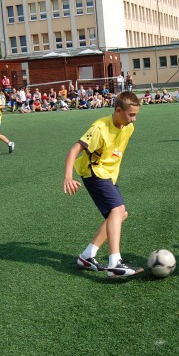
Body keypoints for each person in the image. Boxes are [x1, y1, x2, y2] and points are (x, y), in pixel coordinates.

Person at [63, 91, 143, 278]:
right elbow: (75, 149)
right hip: (93, 172)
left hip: (108, 175)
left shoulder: (128, 128)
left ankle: (87, 256)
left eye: (136, 115)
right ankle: (115, 263)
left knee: (121, 214)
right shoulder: (99, 128)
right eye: (131, 115)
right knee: (116, 211)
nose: (134, 119)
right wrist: (68, 176)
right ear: (117, 110)